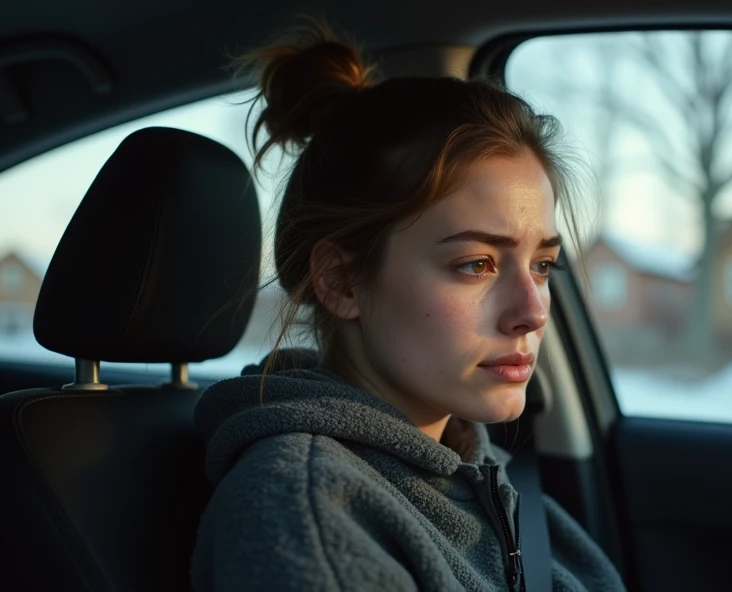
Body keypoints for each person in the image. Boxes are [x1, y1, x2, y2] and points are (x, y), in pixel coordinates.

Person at [189, 21, 626, 592]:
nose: (532, 310)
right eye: (477, 264)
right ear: (342, 281)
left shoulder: (486, 480)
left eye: (542, 265)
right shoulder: (311, 517)